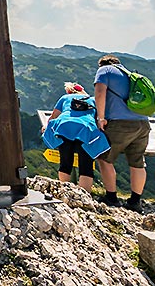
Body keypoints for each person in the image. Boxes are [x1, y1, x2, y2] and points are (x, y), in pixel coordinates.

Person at [94, 54, 151, 212]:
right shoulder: (130, 74)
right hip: (142, 123)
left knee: (105, 158)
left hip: (119, 123)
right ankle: (135, 202)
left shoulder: (104, 70)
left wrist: (101, 117)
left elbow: (99, 93)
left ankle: (111, 198)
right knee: (137, 162)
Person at [42, 82, 109, 192]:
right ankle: (84, 196)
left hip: (64, 127)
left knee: (65, 161)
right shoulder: (93, 100)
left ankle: (65, 192)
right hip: (86, 130)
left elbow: (53, 117)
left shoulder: (65, 98)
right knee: (86, 165)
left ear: (69, 91)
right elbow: (99, 119)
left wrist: (46, 128)